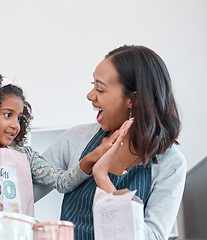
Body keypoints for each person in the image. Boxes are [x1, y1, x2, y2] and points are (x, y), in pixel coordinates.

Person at [41, 45, 186, 239]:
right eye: (93, 85)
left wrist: (103, 180)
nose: (90, 95)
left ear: (133, 99)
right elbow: (21, 190)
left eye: (100, 89)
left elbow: (154, 237)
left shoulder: (171, 163)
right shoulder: (75, 139)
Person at [0, 72, 130, 216]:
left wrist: (92, 157)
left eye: (19, 117)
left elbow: (62, 182)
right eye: (8, 115)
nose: (15, 125)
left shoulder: (26, 156)